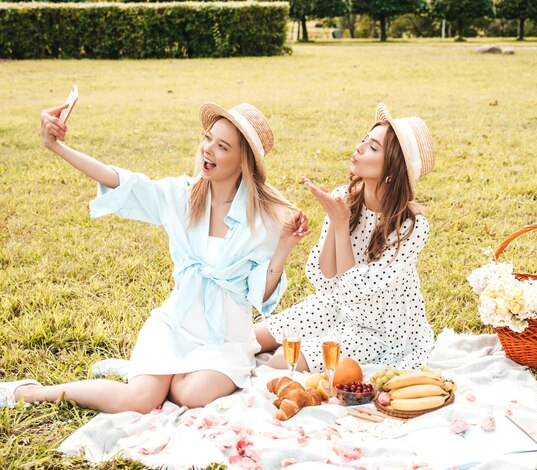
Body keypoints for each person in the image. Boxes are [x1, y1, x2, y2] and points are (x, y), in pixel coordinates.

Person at [0, 102, 310, 413]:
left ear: (244, 161)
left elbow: (261, 295)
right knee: (140, 400)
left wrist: (284, 247)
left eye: (222, 146)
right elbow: (121, 181)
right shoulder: (183, 195)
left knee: (192, 394)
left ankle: (149, 372)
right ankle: (27, 391)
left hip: (225, 341)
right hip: (174, 325)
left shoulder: (268, 217)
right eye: (207, 138)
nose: (208, 149)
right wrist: (57, 147)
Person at [254, 103, 435, 373]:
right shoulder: (346, 197)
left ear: (392, 169)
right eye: (364, 140)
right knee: (249, 339)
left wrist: (340, 224)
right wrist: (335, 215)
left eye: (373, 147)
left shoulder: (412, 227)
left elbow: (357, 291)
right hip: (334, 305)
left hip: (379, 329)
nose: (360, 147)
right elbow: (324, 277)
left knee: (282, 360)